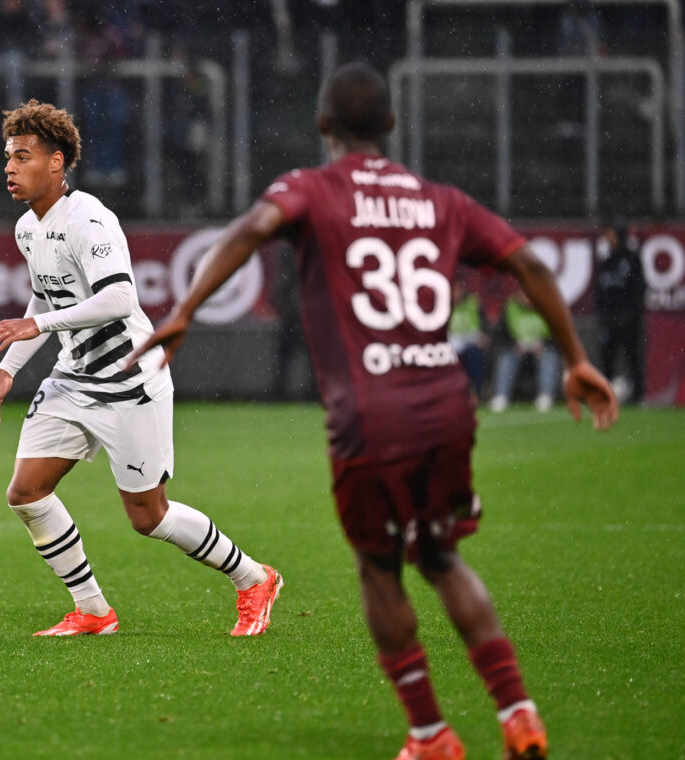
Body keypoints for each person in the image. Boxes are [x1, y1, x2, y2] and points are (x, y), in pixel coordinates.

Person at [129, 63, 618, 760]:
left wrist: (184, 310)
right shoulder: (440, 200)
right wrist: (574, 358)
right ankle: (518, 710)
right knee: (443, 556)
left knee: (380, 568)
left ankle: (430, 734)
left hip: (370, 411)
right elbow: (530, 266)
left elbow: (251, 229)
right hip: (447, 403)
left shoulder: (311, 189)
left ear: (323, 126)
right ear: (390, 126)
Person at [0, 99, 283, 638]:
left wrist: (36, 330)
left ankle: (255, 578)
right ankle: (93, 611)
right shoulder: (28, 228)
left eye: (22, 156)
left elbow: (120, 297)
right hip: (72, 379)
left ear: (56, 162)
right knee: (25, 492)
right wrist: (6, 373)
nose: (9, 167)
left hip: (129, 381)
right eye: (7, 157)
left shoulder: (90, 219)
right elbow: (43, 300)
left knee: (149, 517)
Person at [595, 220, 646, 404]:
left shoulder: (632, 260)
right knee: (607, 357)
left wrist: (630, 314)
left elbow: (639, 289)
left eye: (610, 233)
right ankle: (605, 394)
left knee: (632, 356)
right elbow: (600, 292)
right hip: (609, 319)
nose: (607, 237)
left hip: (629, 319)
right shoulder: (606, 261)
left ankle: (638, 396)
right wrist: (603, 316)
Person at [489, 290, 562, 412]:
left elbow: (559, 335)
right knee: (506, 359)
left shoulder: (548, 307)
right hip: (517, 350)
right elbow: (499, 336)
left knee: (549, 358)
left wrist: (543, 343)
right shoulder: (510, 307)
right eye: (525, 295)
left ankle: (545, 396)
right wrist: (514, 344)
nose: (527, 299)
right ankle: (501, 396)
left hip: (541, 349)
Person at [448, 277, 489, 397]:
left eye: (458, 289)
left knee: (474, 356)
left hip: (471, 343)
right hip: (448, 345)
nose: (456, 292)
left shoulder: (473, 303)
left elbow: (485, 325)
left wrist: (484, 337)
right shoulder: (442, 305)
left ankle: (475, 392)